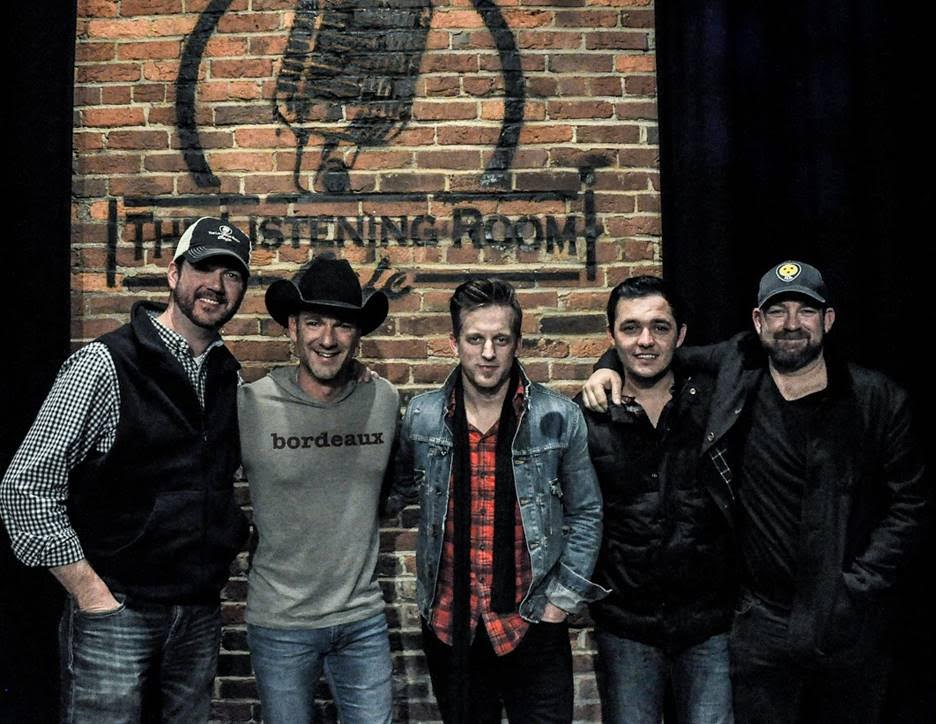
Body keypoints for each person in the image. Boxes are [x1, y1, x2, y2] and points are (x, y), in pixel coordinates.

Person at [582, 261, 927, 724]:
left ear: (828, 320)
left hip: (848, 622)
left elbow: (911, 504)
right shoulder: (737, 370)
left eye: (805, 311)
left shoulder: (877, 399)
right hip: (758, 624)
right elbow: (650, 354)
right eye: (777, 311)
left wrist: (857, 587)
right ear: (757, 322)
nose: (790, 325)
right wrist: (605, 367)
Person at [0, 217, 252, 723]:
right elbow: (25, 486)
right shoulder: (106, 363)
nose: (217, 286)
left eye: (232, 275)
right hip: (119, 611)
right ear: (173, 273)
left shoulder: (229, 375)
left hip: (197, 614)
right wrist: (91, 594)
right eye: (204, 268)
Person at [393, 278, 606, 723]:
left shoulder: (557, 417)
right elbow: (397, 491)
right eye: (475, 339)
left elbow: (586, 513)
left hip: (533, 622)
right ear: (455, 342)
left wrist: (558, 604)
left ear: (517, 343)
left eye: (500, 339)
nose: (488, 353)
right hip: (452, 625)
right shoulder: (423, 417)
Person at [238, 256, 398, 724]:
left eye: (342, 325)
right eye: (314, 323)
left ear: (358, 335)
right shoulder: (249, 403)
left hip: (362, 619)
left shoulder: (383, 399)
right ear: (292, 328)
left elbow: (393, 483)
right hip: (280, 623)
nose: (327, 339)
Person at [575, 276, 734, 723]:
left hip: (709, 625)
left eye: (660, 327)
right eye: (630, 328)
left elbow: (751, 349)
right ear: (612, 335)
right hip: (627, 627)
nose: (645, 340)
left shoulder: (716, 403)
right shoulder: (590, 417)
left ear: (680, 335)